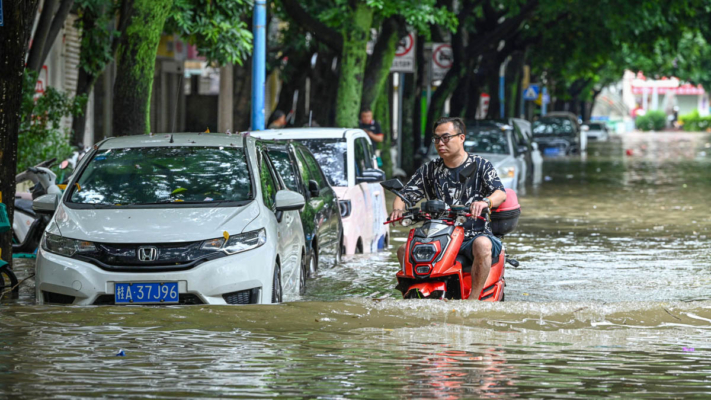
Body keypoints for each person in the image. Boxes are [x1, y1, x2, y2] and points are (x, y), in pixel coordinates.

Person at [390, 117, 507, 300]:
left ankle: (473, 301)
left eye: (445, 138)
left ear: (461, 138)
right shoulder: (428, 170)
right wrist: (398, 209)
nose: (440, 143)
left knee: (483, 244)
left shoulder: (481, 165)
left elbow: (500, 193)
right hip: (436, 236)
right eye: (436, 139)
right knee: (403, 249)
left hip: (472, 236)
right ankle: (412, 295)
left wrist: (485, 202)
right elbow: (404, 196)